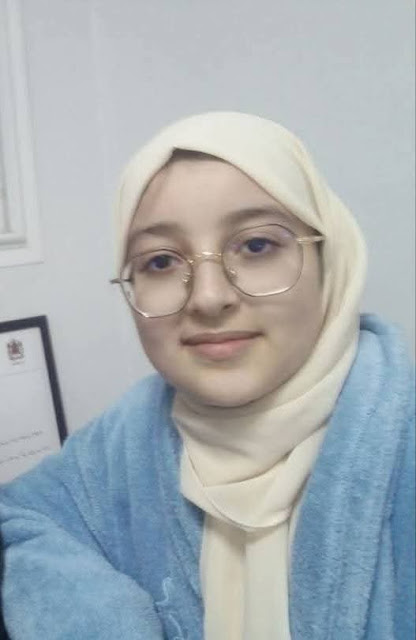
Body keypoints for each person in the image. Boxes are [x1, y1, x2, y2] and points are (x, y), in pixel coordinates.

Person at [0, 112, 414, 640]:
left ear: (329, 260)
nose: (209, 297)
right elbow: (18, 519)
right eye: (160, 261)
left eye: (257, 245)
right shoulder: (116, 448)